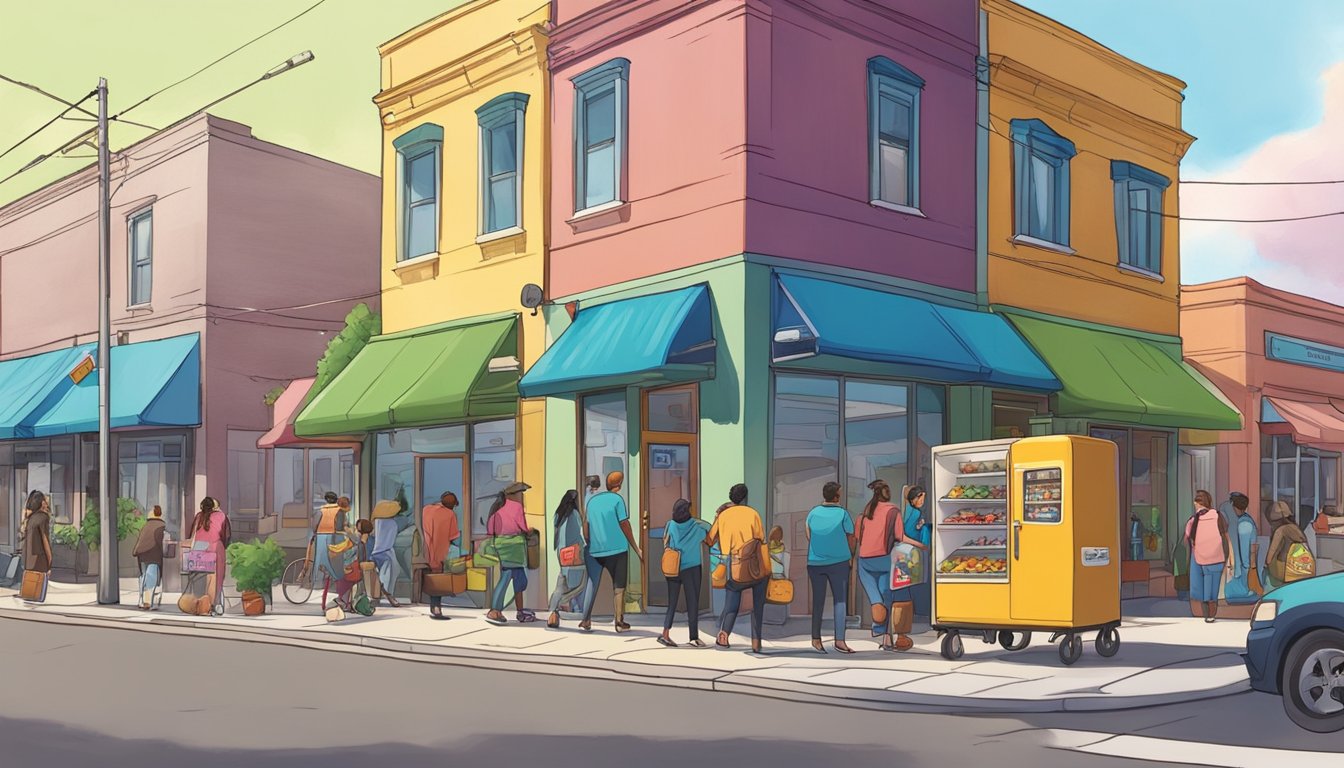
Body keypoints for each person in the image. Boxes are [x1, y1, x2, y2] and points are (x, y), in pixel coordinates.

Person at [856, 480, 918, 651]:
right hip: (884, 560)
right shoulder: (893, 511)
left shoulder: (864, 514)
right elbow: (901, 537)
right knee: (887, 597)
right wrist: (921, 545)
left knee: (877, 599)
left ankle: (878, 617)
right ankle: (886, 638)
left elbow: (858, 537)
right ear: (887, 493)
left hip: (865, 562)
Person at [580, 472, 643, 633]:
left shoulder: (592, 501)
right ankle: (619, 622)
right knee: (619, 587)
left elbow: (586, 527)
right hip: (618, 549)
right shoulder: (618, 500)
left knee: (591, 583)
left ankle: (586, 620)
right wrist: (636, 548)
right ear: (619, 484)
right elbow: (624, 524)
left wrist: (590, 542)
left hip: (595, 550)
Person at [709, 484, 769, 653]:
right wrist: (767, 569)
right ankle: (756, 642)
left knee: (732, 602)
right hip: (755, 566)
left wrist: (717, 516)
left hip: (735, 567)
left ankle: (724, 635)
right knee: (758, 605)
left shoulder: (723, 516)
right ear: (745, 498)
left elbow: (709, 540)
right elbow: (761, 541)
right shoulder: (753, 514)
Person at [805, 482, 855, 654]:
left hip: (815, 562)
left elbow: (808, 535)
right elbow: (850, 537)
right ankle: (839, 641)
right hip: (839, 562)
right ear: (837, 496)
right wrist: (850, 556)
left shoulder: (812, 513)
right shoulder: (842, 514)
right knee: (840, 601)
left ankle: (816, 639)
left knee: (818, 601)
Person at [660, 498, 710, 648]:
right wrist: (699, 520)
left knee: (672, 602)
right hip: (692, 567)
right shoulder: (696, 526)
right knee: (692, 602)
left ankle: (665, 633)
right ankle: (693, 637)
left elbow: (665, 542)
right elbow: (710, 529)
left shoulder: (670, 524)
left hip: (673, 567)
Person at [485, 481, 534, 625]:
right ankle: (494, 610)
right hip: (514, 546)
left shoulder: (497, 508)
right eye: (521, 493)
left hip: (501, 545)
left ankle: (519, 611)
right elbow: (523, 527)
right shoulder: (517, 507)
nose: (523, 496)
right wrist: (528, 531)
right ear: (514, 495)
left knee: (518, 578)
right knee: (508, 577)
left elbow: (490, 529)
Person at [1184, 490, 1230, 622]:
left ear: (1196, 503)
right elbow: (1226, 536)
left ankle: (1205, 614)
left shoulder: (1193, 520)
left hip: (1200, 559)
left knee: (1201, 586)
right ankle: (1211, 614)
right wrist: (1230, 555)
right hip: (1217, 558)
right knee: (1213, 587)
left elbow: (1187, 539)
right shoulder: (1218, 516)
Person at [546, 490, 587, 629]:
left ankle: (553, 609)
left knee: (562, 580)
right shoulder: (575, 514)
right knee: (580, 583)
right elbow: (578, 535)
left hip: (561, 553)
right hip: (574, 552)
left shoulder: (558, 515)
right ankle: (578, 609)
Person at [422, 491, 461, 620]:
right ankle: (436, 609)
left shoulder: (426, 509)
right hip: (439, 550)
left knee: (428, 576)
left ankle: (432, 606)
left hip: (424, 549)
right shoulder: (450, 514)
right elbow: (453, 536)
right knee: (438, 578)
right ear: (453, 505)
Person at [189, 497, 230, 609]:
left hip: (199, 548)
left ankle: (200, 603)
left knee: (199, 577)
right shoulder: (221, 516)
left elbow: (191, 534)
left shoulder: (198, 516)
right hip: (215, 546)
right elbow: (226, 536)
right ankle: (214, 603)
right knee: (215, 576)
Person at [311, 492, 348, 610]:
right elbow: (342, 527)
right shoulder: (340, 511)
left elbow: (315, 526)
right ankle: (342, 598)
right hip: (335, 539)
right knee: (339, 571)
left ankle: (323, 598)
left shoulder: (320, 510)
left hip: (321, 539)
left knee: (323, 567)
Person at [1223, 493, 1259, 605]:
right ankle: (1243, 590)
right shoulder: (1247, 521)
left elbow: (1244, 551)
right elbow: (1252, 547)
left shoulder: (1236, 522)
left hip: (1235, 567)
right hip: (1243, 566)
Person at [902, 485, 932, 616]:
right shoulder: (915, 513)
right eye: (920, 499)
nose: (922, 502)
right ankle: (920, 609)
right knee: (918, 581)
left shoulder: (907, 510)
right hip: (915, 549)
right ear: (913, 499)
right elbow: (910, 531)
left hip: (907, 549)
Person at [1265, 500, 1309, 589]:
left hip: (1284, 566)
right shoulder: (1296, 529)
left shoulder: (1280, 530)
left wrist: (1267, 563)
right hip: (1301, 566)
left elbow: (1271, 553)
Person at [132, 505, 167, 610]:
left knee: (143, 576)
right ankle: (147, 601)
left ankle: (141, 600)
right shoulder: (161, 525)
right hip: (154, 554)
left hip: (142, 554)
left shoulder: (146, 525)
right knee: (151, 577)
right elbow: (162, 542)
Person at [20, 491, 52, 603]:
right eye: (45, 500)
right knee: (39, 586)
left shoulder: (30, 519)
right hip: (39, 557)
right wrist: (50, 560)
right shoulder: (43, 517)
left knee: (31, 585)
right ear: (41, 502)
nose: (47, 502)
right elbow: (45, 540)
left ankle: (29, 596)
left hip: (29, 557)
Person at [371, 498, 403, 608]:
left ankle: (377, 595)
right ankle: (387, 595)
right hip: (386, 552)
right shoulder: (393, 524)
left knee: (379, 575)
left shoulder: (376, 521)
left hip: (375, 552)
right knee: (391, 573)